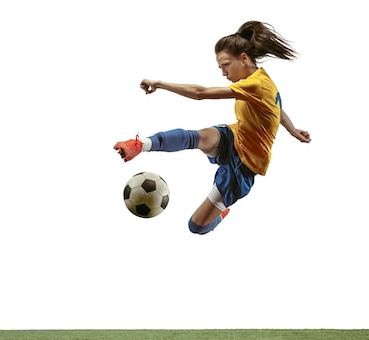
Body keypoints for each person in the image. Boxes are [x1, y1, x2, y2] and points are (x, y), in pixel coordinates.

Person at [114, 21, 311, 235]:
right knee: (196, 137)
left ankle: (220, 213)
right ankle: (139, 145)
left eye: (225, 65)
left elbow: (200, 93)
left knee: (196, 227)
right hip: (235, 136)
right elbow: (277, 107)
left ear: (243, 58)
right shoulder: (260, 79)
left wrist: (159, 84)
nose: (224, 72)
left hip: (247, 164)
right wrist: (293, 130)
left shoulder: (256, 84)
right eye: (220, 67)